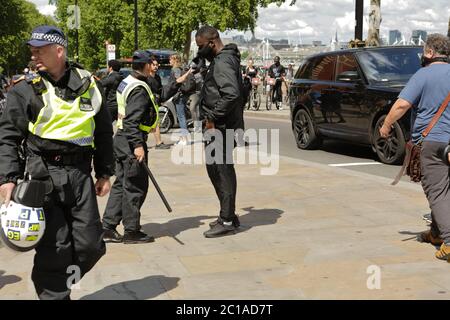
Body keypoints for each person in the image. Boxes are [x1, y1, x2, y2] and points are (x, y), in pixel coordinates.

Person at [0, 25, 114, 300]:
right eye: (32, 50)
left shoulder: (91, 85)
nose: (33, 55)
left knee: (91, 245)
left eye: (39, 50)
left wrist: (105, 172)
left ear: (59, 51)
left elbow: (103, 133)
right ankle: (54, 294)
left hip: (80, 174)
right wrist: (7, 179)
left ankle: (60, 282)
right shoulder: (24, 90)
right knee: (55, 247)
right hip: (43, 177)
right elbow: (7, 137)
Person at [102, 50, 191, 244]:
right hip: (131, 141)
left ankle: (107, 227)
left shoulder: (130, 81)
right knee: (135, 186)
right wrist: (137, 146)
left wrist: (177, 83)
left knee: (121, 185)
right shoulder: (139, 89)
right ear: (144, 65)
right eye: (152, 63)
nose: (155, 66)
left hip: (121, 140)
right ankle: (132, 230)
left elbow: (157, 98)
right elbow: (132, 121)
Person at [379, 33, 450, 261]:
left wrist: (386, 125)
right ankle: (437, 233)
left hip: (433, 142)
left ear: (430, 53)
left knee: (437, 191)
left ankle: (449, 242)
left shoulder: (423, 74)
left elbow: (402, 105)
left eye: (423, 51)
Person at [195, 25, 244, 238]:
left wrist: (212, 118)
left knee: (221, 171)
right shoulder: (223, 59)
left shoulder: (223, 61)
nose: (199, 51)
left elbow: (231, 94)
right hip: (221, 126)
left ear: (212, 42)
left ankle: (226, 220)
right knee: (217, 169)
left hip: (221, 128)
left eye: (201, 46)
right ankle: (229, 215)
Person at [147, 56, 170, 149]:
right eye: (154, 65)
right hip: (146, 105)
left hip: (155, 104)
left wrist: (160, 100)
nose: (156, 67)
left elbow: (160, 90)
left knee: (156, 123)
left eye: (157, 65)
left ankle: (158, 142)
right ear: (149, 66)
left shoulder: (157, 77)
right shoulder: (146, 77)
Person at [169, 54, 189, 145]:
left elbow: (178, 80)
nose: (169, 61)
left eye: (170, 59)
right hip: (181, 95)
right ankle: (182, 138)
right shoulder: (180, 69)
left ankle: (184, 139)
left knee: (181, 117)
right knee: (181, 116)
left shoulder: (176, 69)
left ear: (175, 60)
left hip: (179, 95)